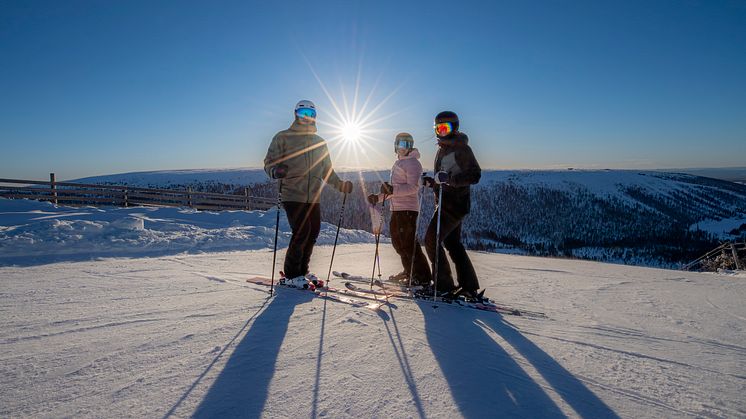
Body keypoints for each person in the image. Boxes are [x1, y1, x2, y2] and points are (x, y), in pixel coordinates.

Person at [264, 100, 353, 286]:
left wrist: (340, 185)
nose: (307, 117)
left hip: (313, 197)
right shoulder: (283, 137)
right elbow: (269, 162)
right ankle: (291, 275)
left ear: (315, 117)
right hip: (292, 194)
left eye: (310, 114)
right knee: (301, 232)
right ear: (296, 114)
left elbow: (327, 170)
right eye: (303, 113)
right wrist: (275, 171)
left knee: (313, 233)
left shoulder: (319, 142)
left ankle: (302, 271)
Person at [423, 111, 482, 298]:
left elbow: (475, 174)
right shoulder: (443, 148)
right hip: (448, 202)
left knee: (431, 240)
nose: (441, 132)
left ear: (454, 128)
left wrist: (450, 180)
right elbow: (444, 177)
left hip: (453, 205)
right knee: (453, 243)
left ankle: (443, 285)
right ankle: (468, 285)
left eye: (445, 128)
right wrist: (432, 182)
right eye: (438, 128)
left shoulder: (461, 148)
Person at [367, 133, 432, 287]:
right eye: (401, 144)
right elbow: (394, 190)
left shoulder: (413, 163)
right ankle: (409, 271)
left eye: (407, 145)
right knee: (398, 243)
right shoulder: (399, 163)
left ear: (411, 147)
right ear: (396, 146)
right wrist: (379, 197)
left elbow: (413, 187)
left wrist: (392, 189)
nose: (403, 148)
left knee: (408, 244)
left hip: (408, 209)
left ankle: (421, 276)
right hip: (397, 209)